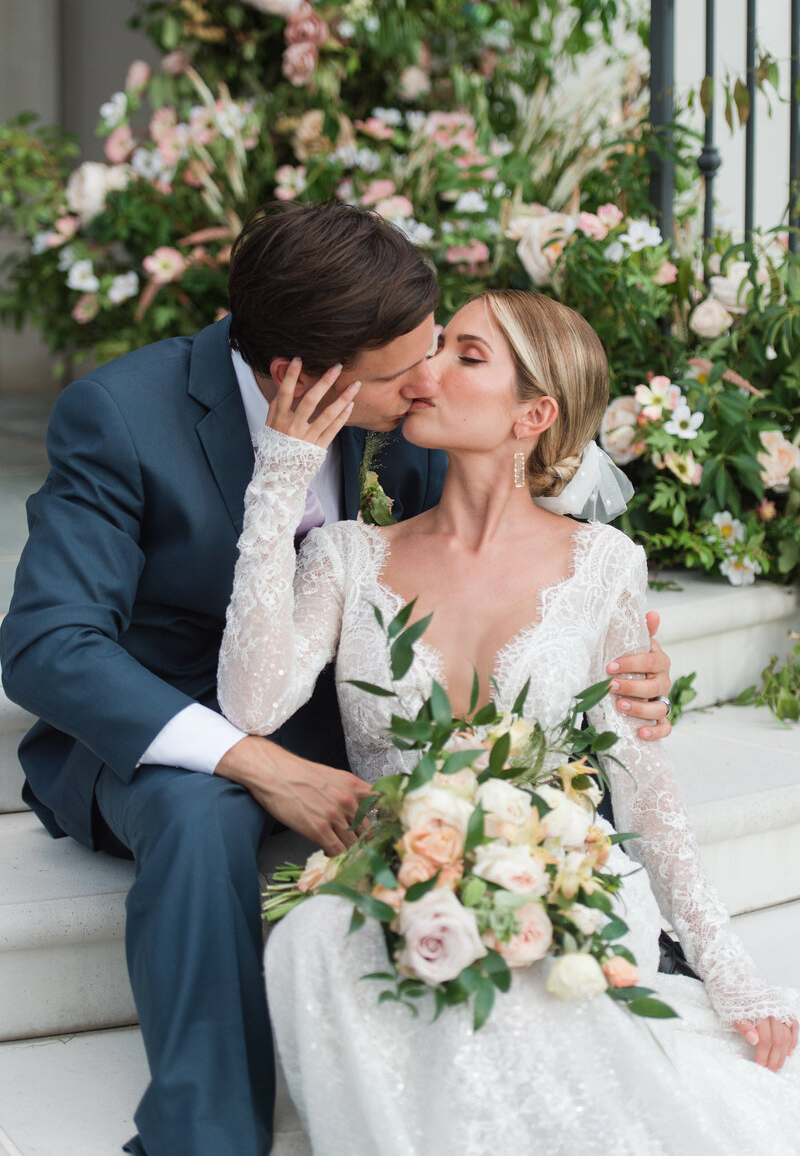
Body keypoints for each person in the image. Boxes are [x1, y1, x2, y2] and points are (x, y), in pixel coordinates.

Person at [0, 204, 671, 1156]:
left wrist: (630, 648)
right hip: (165, 723)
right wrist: (253, 763)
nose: (428, 380)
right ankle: (206, 1137)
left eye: (439, 351)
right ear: (299, 377)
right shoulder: (122, 416)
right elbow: (49, 645)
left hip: (345, 702)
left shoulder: (408, 397)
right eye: (404, 373)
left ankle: (631, 951)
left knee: (529, 728)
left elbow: (536, 496)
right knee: (200, 816)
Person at [218, 288, 799, 1156]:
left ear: (534, 414)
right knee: (316, 939)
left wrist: (732, 972)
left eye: (465, 355)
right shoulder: (344, 554)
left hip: (555, 888)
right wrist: (280, 479)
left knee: (537, 988)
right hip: (395, 882)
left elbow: (647, 799)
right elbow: (251, 706)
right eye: (438, 346)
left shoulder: (604, 565)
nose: (428, 370)